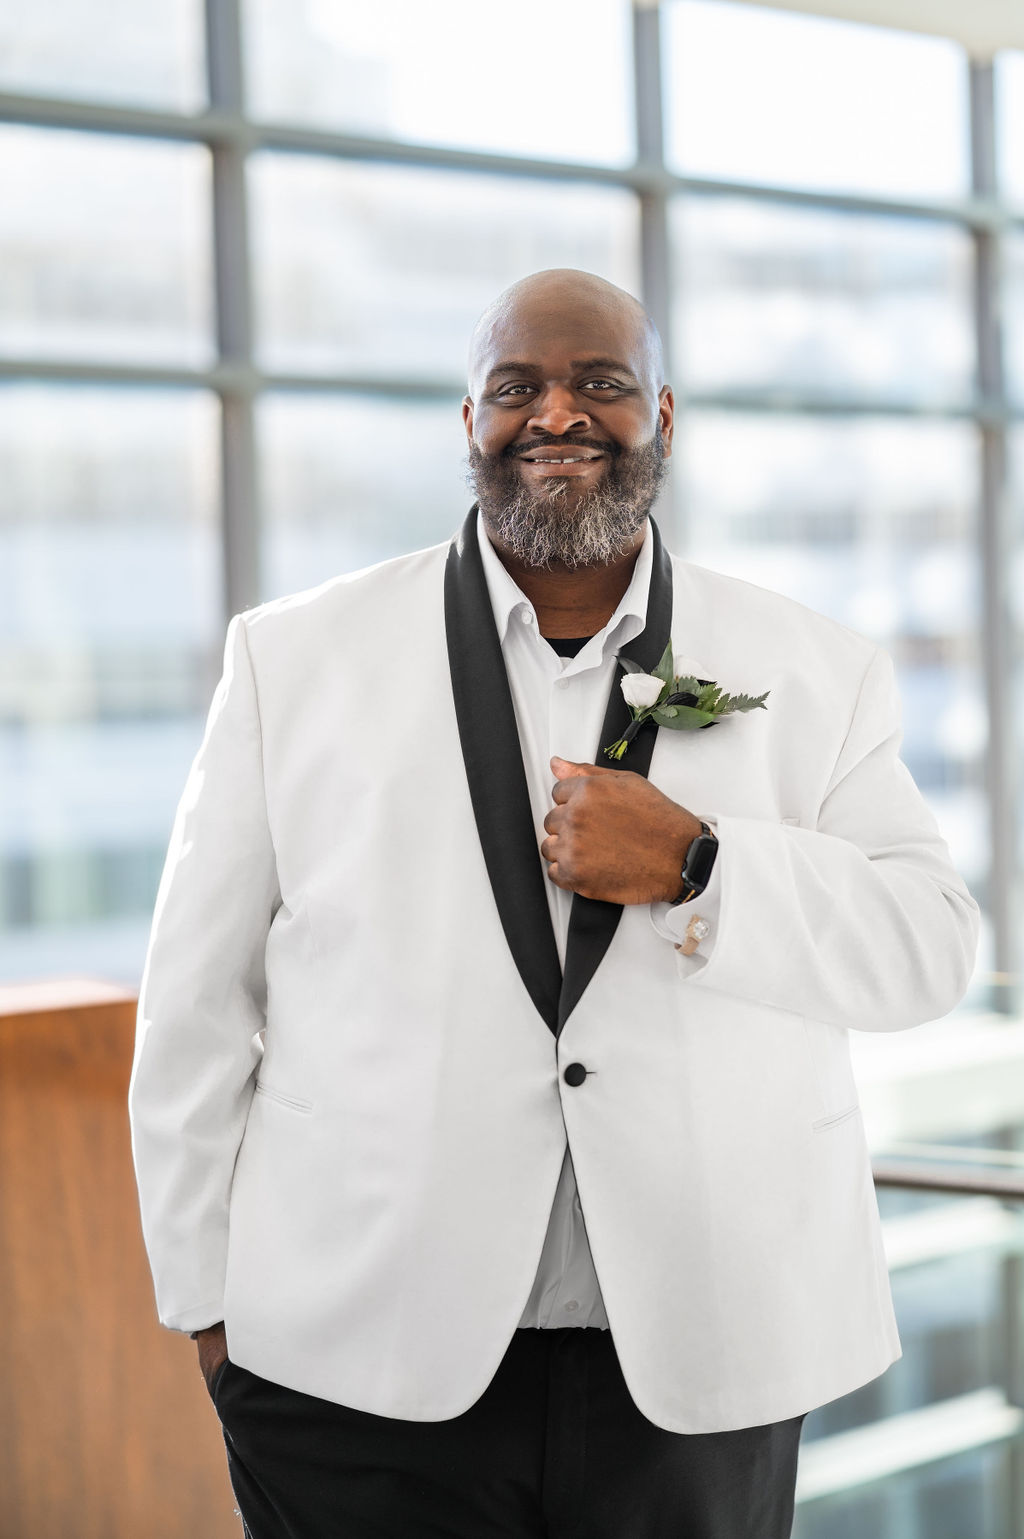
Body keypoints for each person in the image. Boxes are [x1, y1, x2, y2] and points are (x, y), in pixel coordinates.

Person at [129, 268, 979, 1539]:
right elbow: (197, 1005)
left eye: (600, 383)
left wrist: (702, 866)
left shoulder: (817, 670)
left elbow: (929, 951)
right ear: (465, 423)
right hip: (353, 1356)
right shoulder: (290, 659)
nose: (556, 414)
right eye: (515, 386)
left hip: (706, 1357)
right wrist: (209, 1311)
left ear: (666, 418)